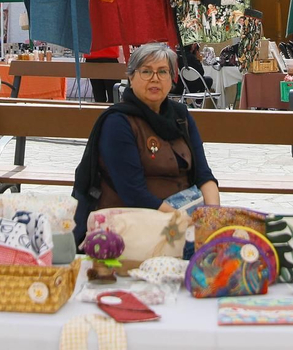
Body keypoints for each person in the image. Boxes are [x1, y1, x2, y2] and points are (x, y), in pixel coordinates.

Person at [71, 42, 222, 231]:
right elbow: (133, 194)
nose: (155, 78)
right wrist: (183, 222)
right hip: (134, 225)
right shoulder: (118, 122)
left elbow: (204, 175)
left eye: (163, 72)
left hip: (184, 217)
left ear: (172, 78)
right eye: (146, 71)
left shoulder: (181, 116)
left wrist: (213, 217)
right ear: (131, 77)